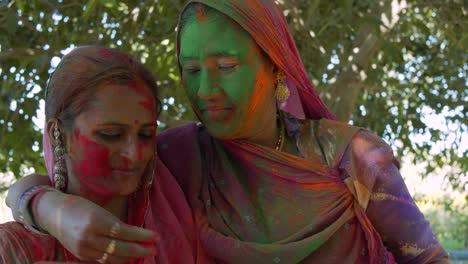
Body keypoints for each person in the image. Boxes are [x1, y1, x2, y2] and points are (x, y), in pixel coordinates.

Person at [6, 1, 448, 263]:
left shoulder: (350, 156)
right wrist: (50, 208)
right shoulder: (179, 156)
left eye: (227, 67)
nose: (206, 90)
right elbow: (55, 179)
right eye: (191, 70)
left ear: (276, 66)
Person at [1, 46, 197, 263]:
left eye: (145, 134)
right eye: (110, 134)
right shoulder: (13, 248)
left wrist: (41, 204)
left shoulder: (184, 185)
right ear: (57, 135)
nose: (134, 154)